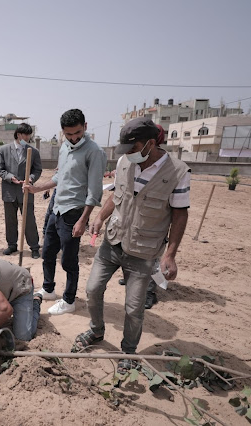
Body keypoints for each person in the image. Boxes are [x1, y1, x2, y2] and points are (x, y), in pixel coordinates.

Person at [73, 117, 190, 374]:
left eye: (133, 148)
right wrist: (100, 217)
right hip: (113, 242)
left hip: (144, 250)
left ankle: (128, 350)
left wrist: (170, 255)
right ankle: (96, 331)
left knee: (134, 307)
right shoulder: (126, 161)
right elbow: (116, 197)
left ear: (150, 143)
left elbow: (180, 214)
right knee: (93, 289)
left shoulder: (178, 172)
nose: (128, 155)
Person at [24, 109, 106, 315]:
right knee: (48, 252)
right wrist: (38, 188)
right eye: (68, 134)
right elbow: (60, 177)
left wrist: (83, 220)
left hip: (74, 212)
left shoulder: (94, 152)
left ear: (85, 127)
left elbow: (95, 191)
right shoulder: (64, 148)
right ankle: (49, 288)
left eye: (77, 133)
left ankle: (69, 300)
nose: (74, 138)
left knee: (69, 259)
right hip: (56, 207)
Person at [117, 124, 167, 309]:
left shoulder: (165, 166)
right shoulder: (132, 162)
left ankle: (149, 293)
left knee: (151, 261)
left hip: (153, 225)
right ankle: (130, 280)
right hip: (132, 220)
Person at [0, 123, 42, 258]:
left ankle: (34, 247)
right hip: (9, 191)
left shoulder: (34, 152)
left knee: (29, 221)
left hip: (26, 191)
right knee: (10, 220)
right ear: (18, 134)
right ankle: (12, 245)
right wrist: (10, 177)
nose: (28, 137)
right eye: (26, 135)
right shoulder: (4, 150)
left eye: (29, 135)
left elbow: (37, 170)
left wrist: (30, 179)